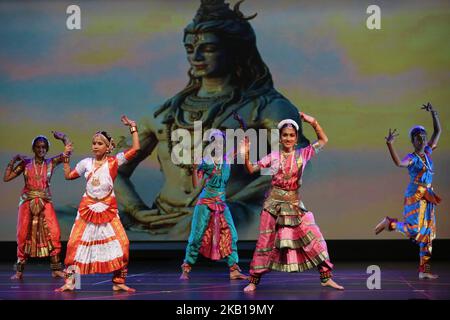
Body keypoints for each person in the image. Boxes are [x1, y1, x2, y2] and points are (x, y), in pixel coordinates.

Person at [115, 0, 307, 239]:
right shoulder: (164, 113)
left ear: (235, 50)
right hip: (160, 216)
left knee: (202, 224)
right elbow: (113, 169)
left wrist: (237, 201)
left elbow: (296, 158)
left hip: (228, 213)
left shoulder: (265, 107)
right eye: (189, 49)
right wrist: (138, 210)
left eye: (208, 48)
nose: (195, 56)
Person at [242, 113, 344, 292]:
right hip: (273, 206)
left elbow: (323, 139)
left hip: (295, 206)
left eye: (291, 135)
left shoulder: (303, 154)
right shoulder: (273, 157)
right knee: (265, 242)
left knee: (315, 238)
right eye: (285, 135)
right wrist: (247, 151)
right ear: (280, 138)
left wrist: (313, 122)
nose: (288, 138)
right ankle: (253, 280)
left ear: (296, 138)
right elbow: (251, 168)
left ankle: (325, 277)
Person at [56, 116, 140, 292]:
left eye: (99, 143)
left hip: (108, 208)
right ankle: (71, 282)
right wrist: (66, 157)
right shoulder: (86, 163)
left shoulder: (114, 162)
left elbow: (136, 149)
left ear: (108, 147)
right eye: (94, 143)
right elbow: (69, 176)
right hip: (87, 208)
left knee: (123, 244)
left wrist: (133, 128)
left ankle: (118, 281)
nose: (95, 146)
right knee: (73, 245)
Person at [375, 103, 442, 280]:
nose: (421, 140)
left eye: (423, 137)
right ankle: (390, 223)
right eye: (417, 138)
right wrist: (390, 145)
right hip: (415, 196)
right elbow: (398, 163)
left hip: (428, 197)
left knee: (427, 235)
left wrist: (434, 113)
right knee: (413, 230)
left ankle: (424, 271)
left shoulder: (428, 152)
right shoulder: (411, 158)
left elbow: (438, 132)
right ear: (413, 141)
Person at [180, 130, 247, 281]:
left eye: (220, 141)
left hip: (221, 203)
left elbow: (243, 139)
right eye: (215, 141)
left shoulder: (227, 158)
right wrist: (194, 168)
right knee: (197, 236)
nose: (218, 144)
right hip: (205, 202)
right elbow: (196, 185)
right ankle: (186, 268)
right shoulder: (206, 161)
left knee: (232, 234)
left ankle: (234, 269)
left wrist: (242, 124)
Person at [3, 132, 71, 280]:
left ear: (47, 149)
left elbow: (67, 153)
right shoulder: (26, 163)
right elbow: (6, 178)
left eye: (44, 147)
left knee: (54, 233)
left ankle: (56, 269)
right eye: (38, 147)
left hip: (45, 201)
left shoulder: (51, 163)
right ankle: (19, 271)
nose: (41, 150)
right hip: (27, 201)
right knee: (22, 234)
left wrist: (64, 138)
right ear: (33, 148)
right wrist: (14, 159)